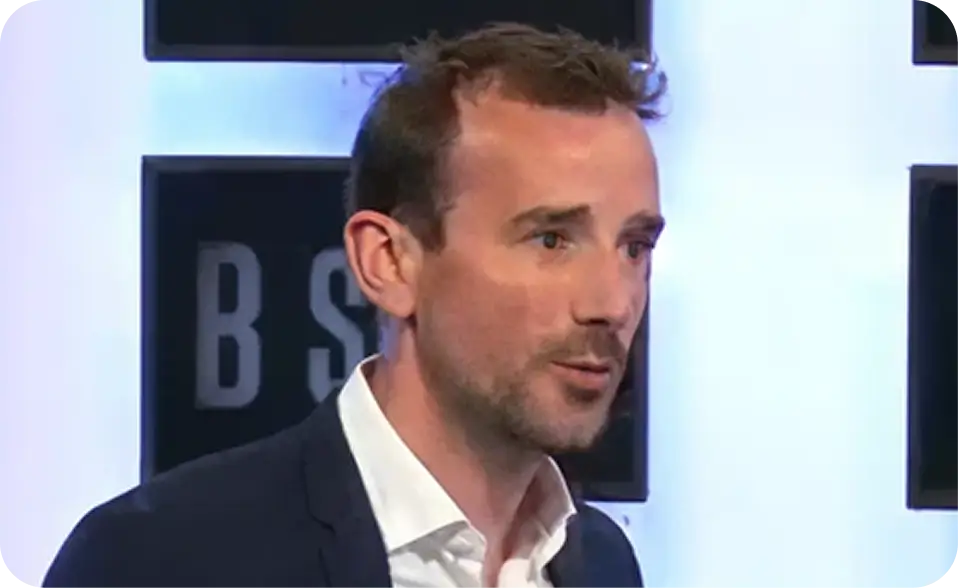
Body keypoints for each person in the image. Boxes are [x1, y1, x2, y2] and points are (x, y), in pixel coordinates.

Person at [43, 22, 666, 588]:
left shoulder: (601, 563)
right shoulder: (159, 561)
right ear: (388, 263)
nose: (613, 303)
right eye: (551, 240)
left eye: (634, 247)